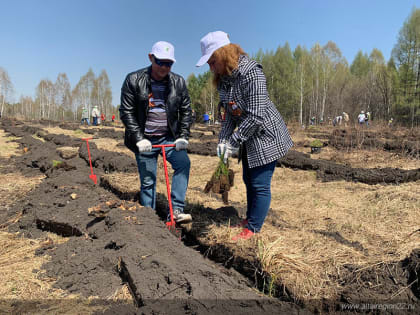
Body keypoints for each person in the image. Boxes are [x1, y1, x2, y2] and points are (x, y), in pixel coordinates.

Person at [196, 31, 293, 240]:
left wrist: (234, 141)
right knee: (249, 179)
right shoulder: (223, 81)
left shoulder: (252, 73)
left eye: (213, 62)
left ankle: (254, 228)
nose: (211, 68)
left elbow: (257, 116)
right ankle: (249, 219)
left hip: (266, 135)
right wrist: (223, 141)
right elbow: (229, 116)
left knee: (259, 183)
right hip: (248, 137)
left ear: (224, 54)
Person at [120, 41, 192, 223]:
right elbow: (126, 112)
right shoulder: (134, 80)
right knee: (148, 181)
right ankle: (150, 220)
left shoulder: (178, 82)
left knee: (183, 163)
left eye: (169, 64)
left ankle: (176, 210)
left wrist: (183, 135)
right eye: (160, 62)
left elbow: (186, 110)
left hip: (169, 138)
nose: (164, 67)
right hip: (145, 141)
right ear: (151, 57)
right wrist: (138, 138)